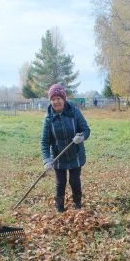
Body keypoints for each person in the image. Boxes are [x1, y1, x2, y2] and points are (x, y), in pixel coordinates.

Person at [41, 83, 90, 212]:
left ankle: (77, 204)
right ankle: (60, 208)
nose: (56, 102)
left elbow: (86, 130)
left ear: (64, 99)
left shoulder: (74, 112)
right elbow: (45, 142)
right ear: (50, 101)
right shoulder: (48, 119)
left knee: (74, 181)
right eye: (53, 99)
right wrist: (47, 160)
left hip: (76, 155)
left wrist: (82, 137)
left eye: (58, 98)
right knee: (60, 184)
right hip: (58, 157)